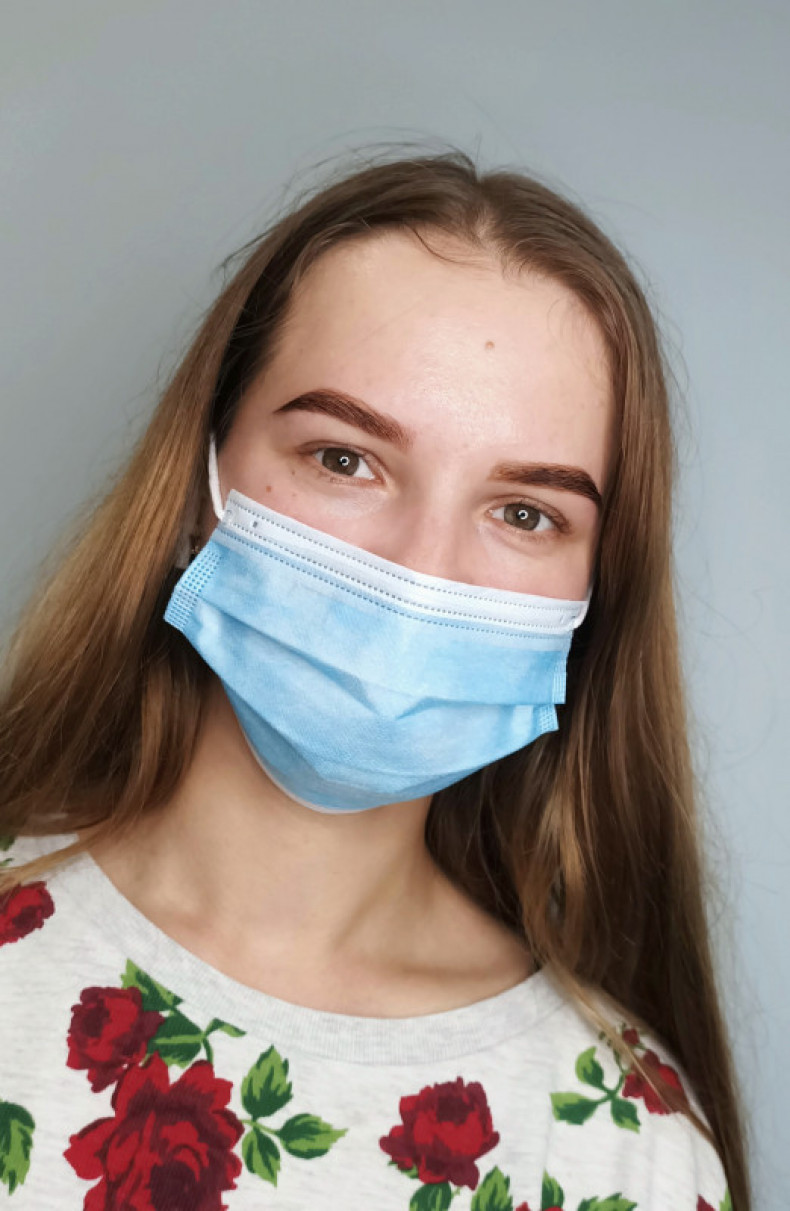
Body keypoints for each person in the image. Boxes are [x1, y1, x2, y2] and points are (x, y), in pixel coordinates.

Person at [0, 149, 749, 1210]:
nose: (419, 568)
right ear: (197, 485)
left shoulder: (625, 1146)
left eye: (525, 512)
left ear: (593, 594)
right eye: (345, 458)